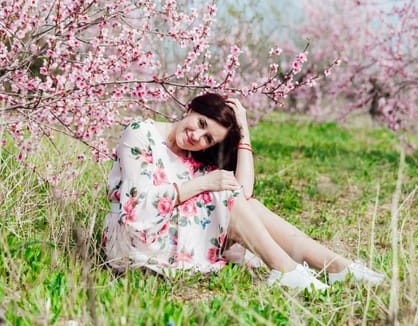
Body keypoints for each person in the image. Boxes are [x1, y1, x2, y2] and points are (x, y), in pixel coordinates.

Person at [102, 93, 384, 291]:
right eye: (200, 123)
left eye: (208, 138)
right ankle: (288, 270)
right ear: (190, 110)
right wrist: (203, 184)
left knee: (247, 203)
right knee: (225, 197)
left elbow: (243, 193)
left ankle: (335, 267)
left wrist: (244, 132)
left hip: (173, 232)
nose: (197, 137)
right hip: (134, 238)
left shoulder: (194, 155)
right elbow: (137, 207)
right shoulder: (141, 133)